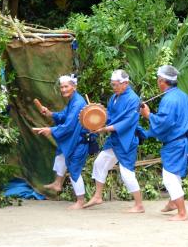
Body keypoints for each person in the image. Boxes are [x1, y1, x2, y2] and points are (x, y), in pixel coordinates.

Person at [84, 70, 144, 213]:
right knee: (99, 162)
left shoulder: (133, 99)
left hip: (127, 139)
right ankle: (98, 196)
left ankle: (139, 205)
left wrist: (104, 129)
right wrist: (98, 117)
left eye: (116, 85)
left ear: (125, 84)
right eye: (112, 85)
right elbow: (109, 115)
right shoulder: (113, 98)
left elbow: (128, 122)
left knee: (126, 173)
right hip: (114, 139)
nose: (114, 87)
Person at [140, 65, 188, 221]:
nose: (157, 82)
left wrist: (148, 115)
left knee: (169, 176)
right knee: (174, 173)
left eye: (158, 79)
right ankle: (173, 203)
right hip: (182, 139)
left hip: (177, 141)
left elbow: (165, 123)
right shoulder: (182, 95)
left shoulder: (169, 99)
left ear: (162, 81)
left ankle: (182, 213)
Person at [34, 74, 88, 209]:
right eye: (62, 87)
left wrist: (51, 130)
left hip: (80, 141)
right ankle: (58, 183)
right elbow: (64, 115)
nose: (63, 89)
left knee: (74, 169)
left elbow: (69, 125)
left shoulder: (78, 102)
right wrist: (50, 114)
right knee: (61, 153)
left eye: (66, 86)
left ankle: (81, 201)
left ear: (73, 87)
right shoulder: (72, 100)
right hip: (74, 139)